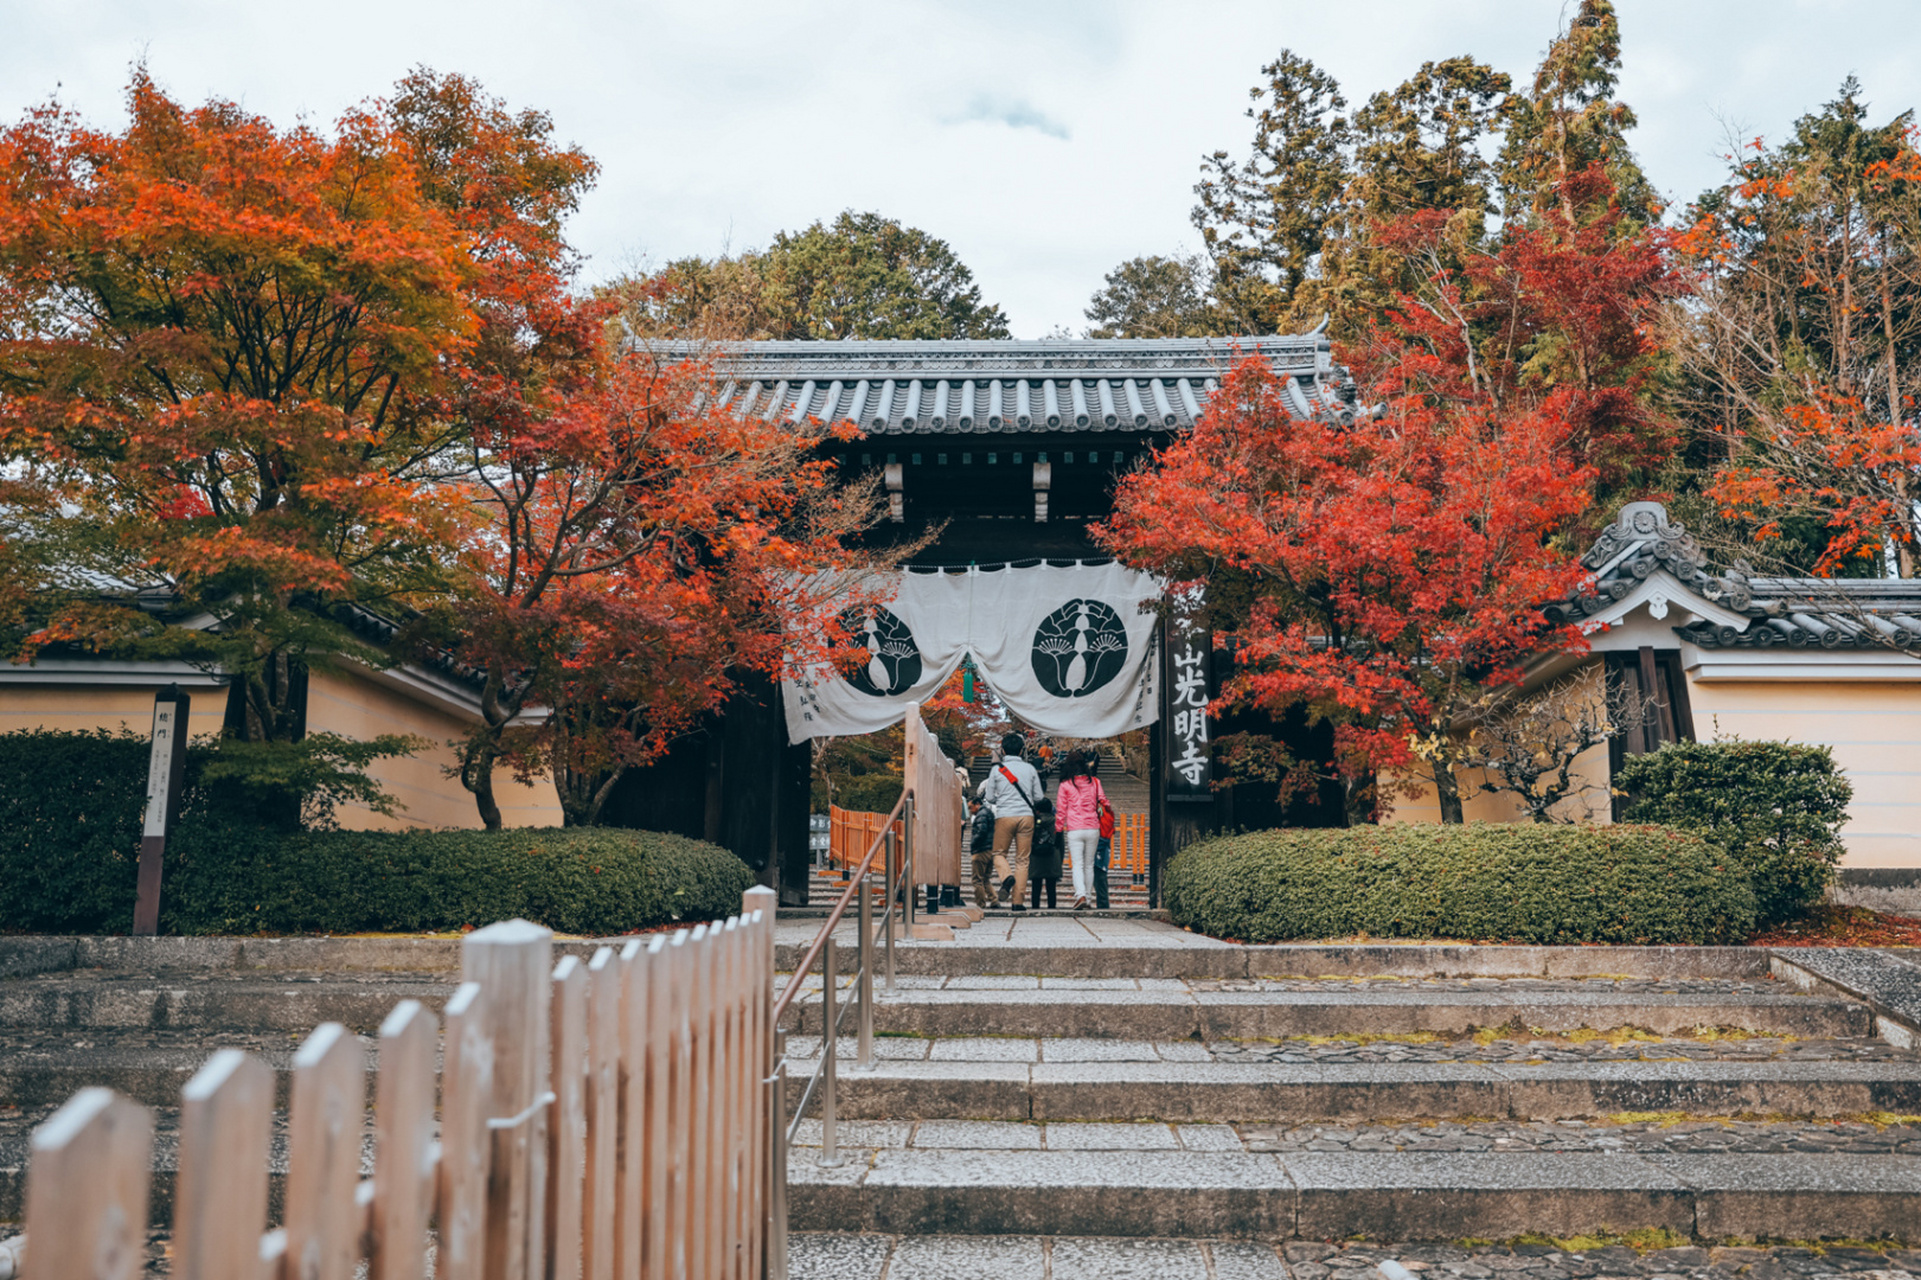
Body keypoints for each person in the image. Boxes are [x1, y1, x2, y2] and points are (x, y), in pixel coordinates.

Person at [977, 732, 1042, 910]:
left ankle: (1006, 877)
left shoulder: (996, 770)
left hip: (1005, 815)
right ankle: (1018, 902)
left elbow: (990, 798)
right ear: (1021, 750)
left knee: (998, 853)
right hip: (1026, 816)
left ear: (1003, 750)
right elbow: (1038, 797)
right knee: (1022, 860)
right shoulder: (1030, 769)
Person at [1054, 750, 1110, 911]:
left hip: (1075, 828)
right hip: (1093, 827)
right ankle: (1089, 899)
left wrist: (1058, 829)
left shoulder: (1065, 785)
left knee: (1077, 864)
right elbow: (1104, 802)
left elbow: (1061, 810)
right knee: (1089, 865)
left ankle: (1081, 895)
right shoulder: (1095, 782)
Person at [1028, 793, 1062, 910]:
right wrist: (1060, 859)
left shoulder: (1032, 821)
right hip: (1052, 856)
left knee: (1036, 885)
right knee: (1051, 886)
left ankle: (1035, 907)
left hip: (1035, 856)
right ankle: (1052, 907)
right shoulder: (1056, 821)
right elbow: (1060, 843)